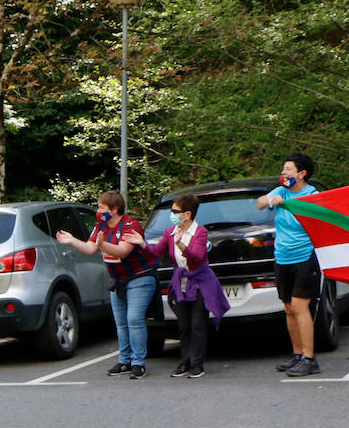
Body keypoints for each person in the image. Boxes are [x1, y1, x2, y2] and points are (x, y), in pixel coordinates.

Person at [123, 194, 230, 378]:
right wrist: (142, 244)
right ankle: (184, 362)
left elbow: (197, 257)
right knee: (183, 326)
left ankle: (197, 364)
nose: (171, 214)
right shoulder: (170, 232)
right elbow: (155, 253)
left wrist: (181, 245)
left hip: (200, 282)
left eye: (175, 211)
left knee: (198, 325)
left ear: (187, 214)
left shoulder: (200, 233)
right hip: (180, 283)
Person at [55, 190, 156, 378]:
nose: (98, 211)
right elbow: (90, 248)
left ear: (115, 209)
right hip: (118, 280)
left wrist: (102, 245)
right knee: (120, 323)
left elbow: (122, 251)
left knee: (134, 319)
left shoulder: (130, 225)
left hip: (139, 277)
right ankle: (124, 361)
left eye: (102, 207)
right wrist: (72, 240)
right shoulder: (101, 224)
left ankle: (138, 363)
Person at [256, 152, 322, 377]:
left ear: (302, 174)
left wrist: (288, 205)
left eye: (288, 169)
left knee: (300, 306)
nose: (283, 173)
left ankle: (309, 358)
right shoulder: (281, 190)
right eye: (283, 169)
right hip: (282, 257)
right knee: (288, 308)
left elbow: (317, 217)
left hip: (305, 257)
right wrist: (269, 200)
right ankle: (296, 354)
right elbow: (259, 204)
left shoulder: (312, 194)